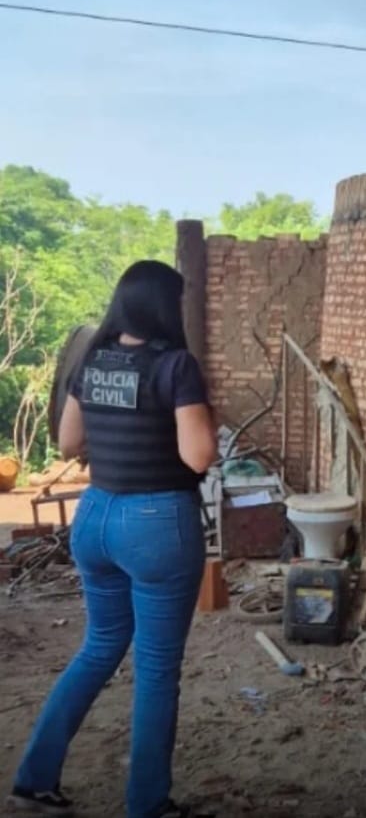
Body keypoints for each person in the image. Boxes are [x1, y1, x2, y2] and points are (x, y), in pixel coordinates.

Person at [8, 261, 218, 818]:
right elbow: (198, 456)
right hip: (156, 523)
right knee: (156, 669)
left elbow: (67, 443)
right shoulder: (175, 366)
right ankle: (147, 804)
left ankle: (33, 780)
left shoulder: (94, 359)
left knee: (99, 646)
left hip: (95, 516)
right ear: (166, 307)